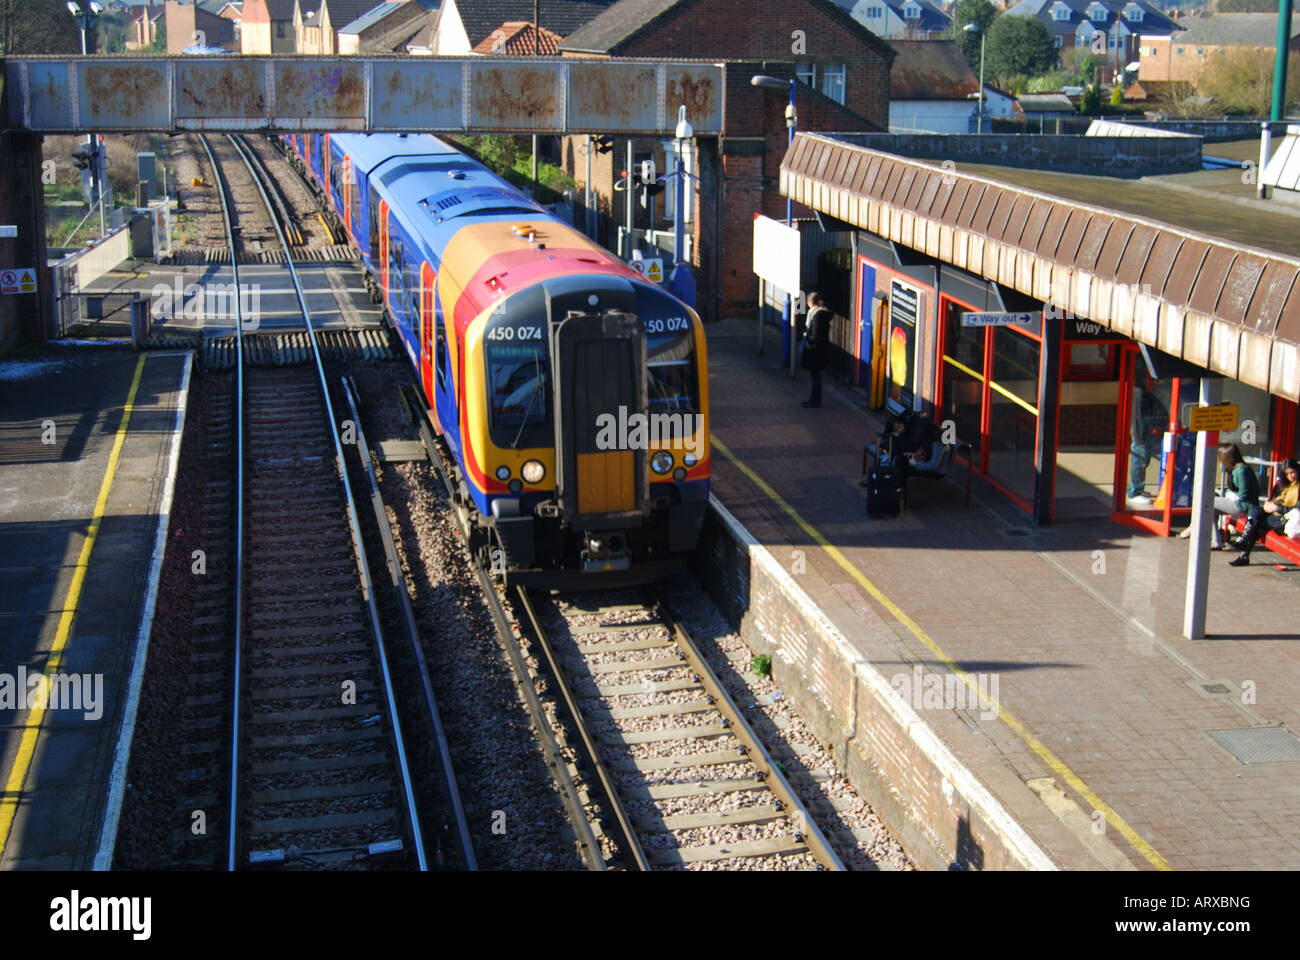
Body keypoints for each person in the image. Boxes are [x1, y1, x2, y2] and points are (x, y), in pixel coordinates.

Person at [1212, 443, 1264, 566]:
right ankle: (1215, 540)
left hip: (1245, 506)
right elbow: (1232, 489)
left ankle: (1215, 541)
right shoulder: (1234, 469)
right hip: (1239, 502)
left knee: (1209, 503)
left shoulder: (1241, 470)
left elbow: (1243, 494)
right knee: (1211, 510)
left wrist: (1230, 494)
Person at [1127, 378, 1168, 504]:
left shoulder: (1142, 393)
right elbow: (1134, 415)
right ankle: (1135, 491)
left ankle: (1137, 488)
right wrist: (1135, 433)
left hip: (1142, 431)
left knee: (1143, 461)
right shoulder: (1137, 393)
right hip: (1140, 432)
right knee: (1139, 461)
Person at [800, 291, 831, 408]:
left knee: (815, 375)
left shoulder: (817, 315)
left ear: (810, 302)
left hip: (816, 350)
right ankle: (815, 399)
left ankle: (815, 400)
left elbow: (816, 333)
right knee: (816, 374)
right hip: (819, 349)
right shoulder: (820, 313)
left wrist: (810, 343)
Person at [1261, 457, 1299, 534]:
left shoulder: (1298, 487)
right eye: (1287, 474)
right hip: (1277, 513)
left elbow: (1296, 509)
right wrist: (1269, 505)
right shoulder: (1283, 484)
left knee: (1260, 521)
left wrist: (1277, 508)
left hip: (1290, 517)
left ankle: (1245, 541)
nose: (1290, 476)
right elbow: (1273, 497)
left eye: (1292, 472)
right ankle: (1245, 540)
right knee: (1255, 511)